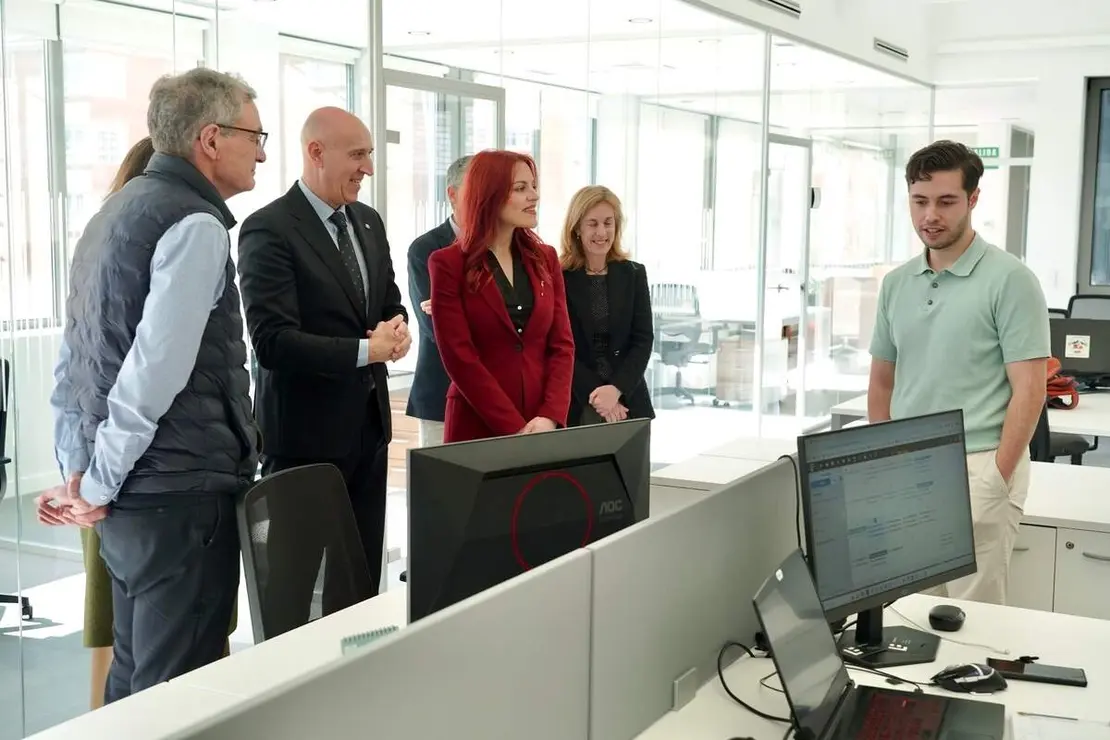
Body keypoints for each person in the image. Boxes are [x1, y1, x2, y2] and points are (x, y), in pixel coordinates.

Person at [38, 67, 264, 703]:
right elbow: (150, 375)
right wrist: (97, 483)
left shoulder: (116, 210)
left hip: (130, 498)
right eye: (255, 134)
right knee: (175, 696)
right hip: (175, 494)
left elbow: (76, 359)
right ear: (211, 138)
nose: (262, 151)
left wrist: (81, 474)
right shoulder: (194, 225)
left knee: (136, 686)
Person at [237, 106, 409, 606]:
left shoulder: (369, 223)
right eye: (358, 155)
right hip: (303, 443)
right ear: (316, 152)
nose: (368, 168)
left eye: (369, 155)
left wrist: (398, 332)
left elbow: (389, 302)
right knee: (289, 591)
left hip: (370, 437)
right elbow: (271, 341)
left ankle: (354, 678)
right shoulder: (268, 228)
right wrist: (366, 350)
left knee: (358, 586)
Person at [867, 139, 1049, 606]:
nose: (931, 215)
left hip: (979, 462)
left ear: (973, 199)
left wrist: (997, 477)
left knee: (974, 622)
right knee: (910, 613)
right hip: (907, 464)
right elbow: (883, 380)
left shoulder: (1011, 279)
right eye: (920, 201)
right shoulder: (895, 283)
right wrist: (882, 463)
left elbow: (1029, 390)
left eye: (946, 201)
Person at [428, 149, 574, 443]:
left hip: (541, 424)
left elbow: (562, 345)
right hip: (477, 423)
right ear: (489, 194)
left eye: (534, 187)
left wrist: (550, 415)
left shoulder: (545, 258)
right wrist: (514, 428)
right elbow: (459, 357)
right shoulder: (448, 263)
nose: (534, 196)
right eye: (521, 188)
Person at [559, 185, 655, 426]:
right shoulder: (558, 277)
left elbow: (643, 339)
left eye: (608, 223)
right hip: (578, 401)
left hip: (629, 402)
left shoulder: (633, 273)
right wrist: (599, 395)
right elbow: (560, 346)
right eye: (592, 223)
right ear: (577, 228)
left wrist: (616, 390)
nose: (601, 232)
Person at [406, 154, 472, 446]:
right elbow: (437, 329)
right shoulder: (426, 250)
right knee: (438, 487)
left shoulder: (505, 246)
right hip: (440, 393)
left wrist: (458, 305)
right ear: (453, 195)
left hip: (501, 393)